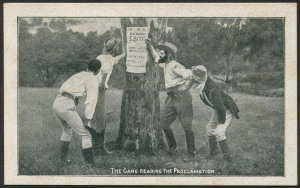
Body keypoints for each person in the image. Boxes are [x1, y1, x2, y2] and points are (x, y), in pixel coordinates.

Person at [147, 40, 196, 156]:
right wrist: (149, 46)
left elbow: (192, 74)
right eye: (159, 53)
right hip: (172, 97)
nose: (160, 55)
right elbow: (155, 56)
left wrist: (187, 86)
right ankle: (173, 148)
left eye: (162, 53)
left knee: (186, 125)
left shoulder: (175, 65)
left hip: (182, 97)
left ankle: (192, 152)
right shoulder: (164, 63)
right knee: (164, 123)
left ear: (168, 54)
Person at [52, 59, 101, 166]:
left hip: (57, 102)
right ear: (98, 70)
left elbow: (67, 87)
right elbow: (91, 101)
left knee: (67, 130)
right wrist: (88, 119)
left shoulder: (79, 75)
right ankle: (90, 164)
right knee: (86, 134)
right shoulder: (93, 79)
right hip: (66, 104)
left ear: (88, 68)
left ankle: (62, 160)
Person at [190, 65, 240, 162]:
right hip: (219, 109)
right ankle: (213, 154)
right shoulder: (204, 84)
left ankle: (227, 158)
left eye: (194, 75)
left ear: (198, 77)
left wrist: (221, 120)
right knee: (209, 129)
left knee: (219, 132)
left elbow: (220, 106)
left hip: (226, 109)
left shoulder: (211, 86)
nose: (192, 77)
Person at [93, 37, 125, 155]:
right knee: (100, 120)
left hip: (93, 88)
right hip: (98, 90)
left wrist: (124, 54)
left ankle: (95, 147)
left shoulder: (101, 57)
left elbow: (115, 59)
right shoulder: (108, 59)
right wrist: (102, 85)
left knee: (97, 118)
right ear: (114, 50)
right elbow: (106, 71)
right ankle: (99, 149)